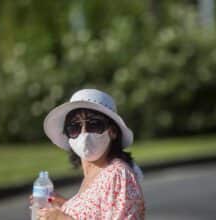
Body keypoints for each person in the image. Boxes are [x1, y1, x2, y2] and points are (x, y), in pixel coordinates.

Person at [32, 89, 145, 220]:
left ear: (112, 132)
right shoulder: (95, 174)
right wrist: (66, 205)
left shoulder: (118, 174)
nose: (83, 133)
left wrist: (62, 218)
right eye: (74, 128)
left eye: (94, 125)